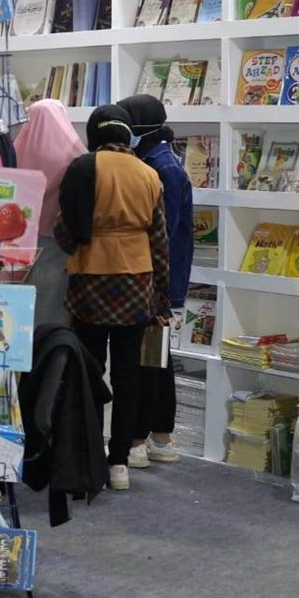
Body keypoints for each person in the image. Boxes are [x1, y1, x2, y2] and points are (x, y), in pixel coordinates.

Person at [55, 104, 170, 491]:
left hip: (91, 280)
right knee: (128, 373)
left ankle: (85, 453)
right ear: (126, 135)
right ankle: (119, 461)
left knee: (88, 370)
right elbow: (160, 243)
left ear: (94, 135)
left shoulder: (83, 168)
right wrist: (162, 298)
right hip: (137, 283)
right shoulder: (148, 173)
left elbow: (66, 232)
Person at [121, 93, 193, 467]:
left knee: (147, 360)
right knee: (157, 358)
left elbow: (161, 233)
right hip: (157, 277)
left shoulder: (162, 168)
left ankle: (139, 439)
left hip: (154, 279)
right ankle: (160, 437)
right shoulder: (154, 161)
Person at [13, 98, 87, 326]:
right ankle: (52, 344)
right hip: (59, 238)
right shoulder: (76, 153)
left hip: (19, 238)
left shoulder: (16, 149)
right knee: (53, 300)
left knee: (20, 299)